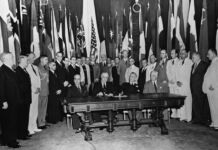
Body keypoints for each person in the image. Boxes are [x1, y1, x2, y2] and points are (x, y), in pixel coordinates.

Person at [0, 53, 21, 148]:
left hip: (14, 100)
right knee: (9, 121)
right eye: (11, 57)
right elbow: (1, 88)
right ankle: (10, 141)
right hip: (8, 101)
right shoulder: (2, 70)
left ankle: (10, 139)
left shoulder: (11, 69)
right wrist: (3, 101)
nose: (13, 58)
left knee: (13, 120)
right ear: (5, 59)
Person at [191, 52, 210, 125]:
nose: (192, 59)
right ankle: (197, 119)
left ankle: (203, 120)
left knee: (201, 104)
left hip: (200, 88)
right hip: (194, 88)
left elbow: (206, 77)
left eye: (193, 57)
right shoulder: (193, 65)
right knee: (195, 104)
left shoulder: (204, 65)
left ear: (198, 57)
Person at [15, 56, 31, 140]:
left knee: (25, 116)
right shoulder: (18, 71)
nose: (27, 62)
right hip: (22, 99)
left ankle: (24, 132)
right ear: (20, 61)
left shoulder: (24, 70)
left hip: (26, 98)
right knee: (21, 117)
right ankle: (21, 134)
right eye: (25, 61)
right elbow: (19, 86)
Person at [26, 53, 42, 135]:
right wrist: (33, 89)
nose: (33, 59)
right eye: (31, 57)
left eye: (33, 57)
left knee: (35, 110)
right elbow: (28, 81)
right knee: (31, 110)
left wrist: (39, 87)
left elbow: (38, 78)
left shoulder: (35, 67)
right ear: (27, 57)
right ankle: (30, 128)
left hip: (37, 91)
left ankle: (35, 126)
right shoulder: (26, 67)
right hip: (31, 92)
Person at [203, 49, 218, 130]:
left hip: (215, 89)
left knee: (216, 106)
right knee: (212, 107)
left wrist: (214, 85)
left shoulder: (217, 62)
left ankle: (217, 123)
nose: (207, 56)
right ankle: (214, 121)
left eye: (209, 54)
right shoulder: (211, 63)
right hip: (209, 89)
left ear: (213, 53)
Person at [176, 49, 193, 122]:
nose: (182, 54)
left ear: (187, 54)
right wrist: (177, 81)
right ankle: (182, 116)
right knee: (181, 101)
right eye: (181, 53)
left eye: (183, 53)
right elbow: (176, 73)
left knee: (188, 101)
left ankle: (189, 118)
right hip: (179, 85)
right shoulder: (179, 62)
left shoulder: (190, 62)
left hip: (187, 84)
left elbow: (190, 74)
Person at [166, 49, 180, 118]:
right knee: (172, 98)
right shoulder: (169, 62)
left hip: (176, 82)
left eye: (173, 53)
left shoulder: (179, 61)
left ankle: (179, 113)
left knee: (177, 97)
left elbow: (178, 72)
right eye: (171, 53)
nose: (171, 55)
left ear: (176, 54)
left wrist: (174, 80)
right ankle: (173, 113)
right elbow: (167, 71)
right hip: (170, 82)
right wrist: (170, 79)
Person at [38, 56, 49, 129]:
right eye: (46, 59)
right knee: (40, 108)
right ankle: (40, 123)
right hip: (41, 91)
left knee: (44, 108)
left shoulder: (45, 68)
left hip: (46, 90)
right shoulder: (38, 68)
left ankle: (43, 122)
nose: (47, 61)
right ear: (41, 60)